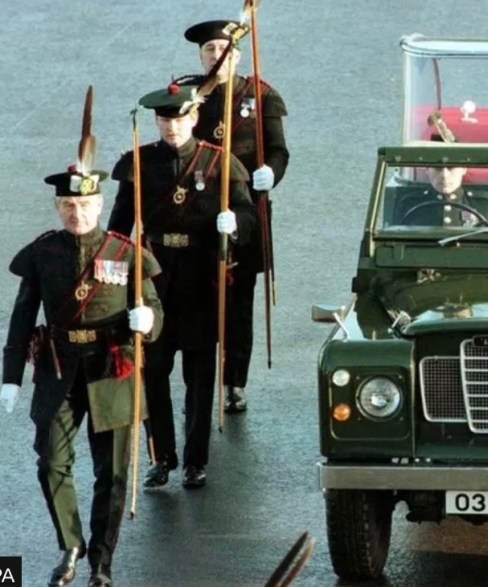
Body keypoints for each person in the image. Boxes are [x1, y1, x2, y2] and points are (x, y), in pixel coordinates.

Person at [1, 166, 162, 587]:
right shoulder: (43, 253)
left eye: (85, 205)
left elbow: (154, 308)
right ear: (58, 207)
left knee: (112, 474)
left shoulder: (124, 252)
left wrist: (148, 321)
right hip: (59, 369)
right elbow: (22, 317)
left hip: (112, 368)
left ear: (100, 205)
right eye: (69, 205)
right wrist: (11, 377)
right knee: (51, 462)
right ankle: (71, 544)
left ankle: (101, 563)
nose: (77, 213)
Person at [107, 81, 255, 489]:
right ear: (157, 122)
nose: (172, 128)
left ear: (194, 118)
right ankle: (162, 458)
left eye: (179, 120)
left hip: (200, 279)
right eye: (164, 121)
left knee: (199, 376)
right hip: (154, 278)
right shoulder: (139, 163)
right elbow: (119, 228)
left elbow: (248, 215)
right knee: (153, 372)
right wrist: (114, 279)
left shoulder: (217, 162)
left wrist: (234, 223)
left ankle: (195, 460)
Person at [182, 19, 290, 413]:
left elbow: (279, 151)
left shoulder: (260, 96)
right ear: (201, 56)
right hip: (197, 214)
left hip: (245, 210)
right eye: (209, 49)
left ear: (237, 54)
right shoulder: (189, 95)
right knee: (196, 304)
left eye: (223, 48)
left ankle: (234, 382)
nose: (217, 54)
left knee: (239, 304)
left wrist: (270, 174)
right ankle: (198, 386)